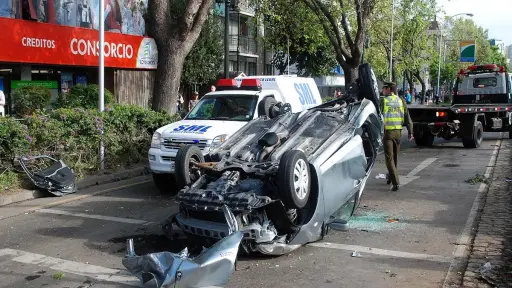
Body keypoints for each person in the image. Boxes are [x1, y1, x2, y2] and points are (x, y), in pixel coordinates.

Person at [381, 82, 413, 191]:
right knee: (394, 157)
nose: (382, 91)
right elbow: (407, 117)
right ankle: (390, 177)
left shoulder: (383, 101)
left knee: (389, 158)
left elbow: (378, 117)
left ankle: (396, 183)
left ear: (389, 89)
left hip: (387, 133)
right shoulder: (401, 101)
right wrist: (410, 132)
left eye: (384, 89)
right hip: (398, 133)